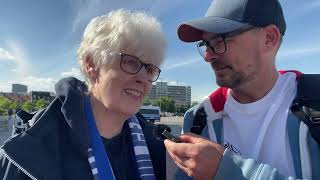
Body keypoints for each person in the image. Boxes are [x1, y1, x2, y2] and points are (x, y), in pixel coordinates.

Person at [0, 9, 167, 180]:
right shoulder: (31, 150)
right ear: (92, 64)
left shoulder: (159, 145)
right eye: (131, 62)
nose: (144, 79)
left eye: (150, 69)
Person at [164, 0, 320, 179]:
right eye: (206, 44)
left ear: (269, 38)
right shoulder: (200, 118)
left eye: (220, 40)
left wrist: (228, 171)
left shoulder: (315, 103)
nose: (208, 56)